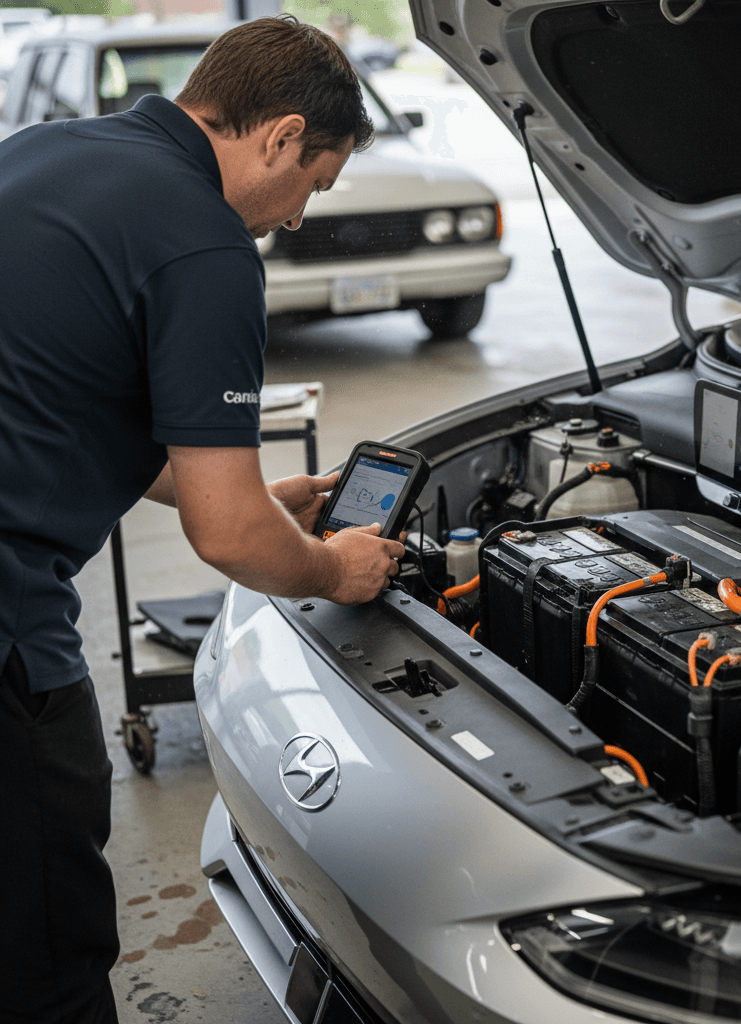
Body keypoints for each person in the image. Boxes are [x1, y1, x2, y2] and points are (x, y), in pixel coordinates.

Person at [0, 16, 404, 1023]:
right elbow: (226, 542)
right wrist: (330, 567)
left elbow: (58, 391)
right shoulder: (208, 246)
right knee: (45, 951)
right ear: (280, 135)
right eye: (313, 183)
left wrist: (248, 498)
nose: (300, 216)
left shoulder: (43, 151)